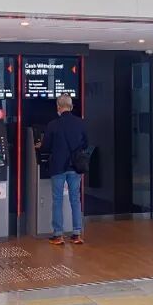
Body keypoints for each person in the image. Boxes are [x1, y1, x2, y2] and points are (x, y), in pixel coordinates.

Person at [37, 94, 88, 245]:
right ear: (71, 107)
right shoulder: (80, 123)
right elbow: (86, 143)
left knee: (57, 200)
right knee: (75, 200)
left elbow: (46, 147)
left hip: (58, 167)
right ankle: (76, 233)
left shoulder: (53, 125)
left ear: (58, 107)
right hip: (75, 167)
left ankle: (58, 235)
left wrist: (40, 146)